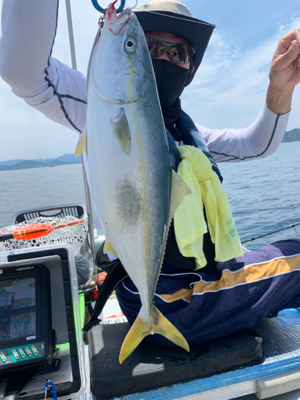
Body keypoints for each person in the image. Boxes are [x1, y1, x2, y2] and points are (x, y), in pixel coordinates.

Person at [0, 0, 300, 348]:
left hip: (198, 282)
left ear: (190, 69)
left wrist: (281, 83)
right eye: (151, 46)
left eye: (179, 53)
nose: (165, 58)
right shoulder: (97, 104)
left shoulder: (186, 135)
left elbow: (257, 144)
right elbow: (22, 72)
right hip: (168, 299)